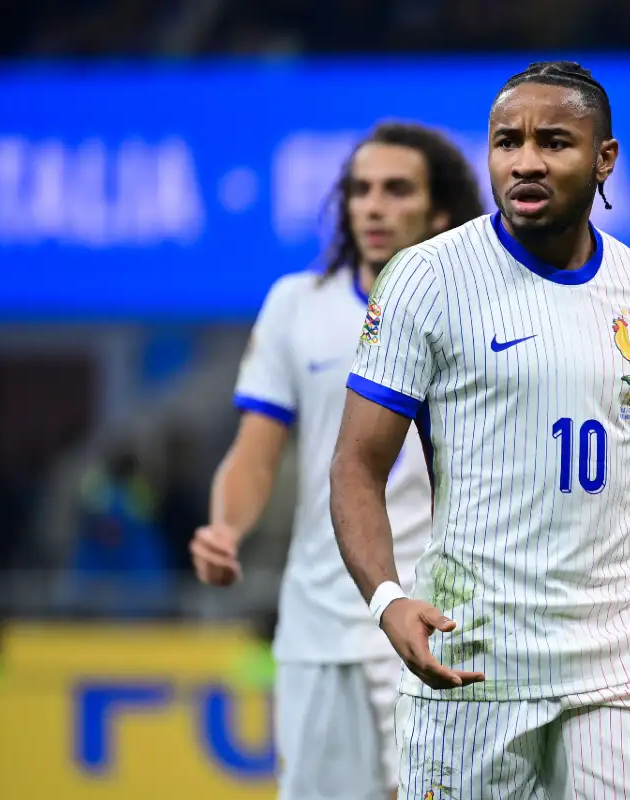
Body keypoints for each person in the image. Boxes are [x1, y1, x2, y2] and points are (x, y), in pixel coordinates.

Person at [331, 61, 630, 799]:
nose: (526, 161)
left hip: (618, 661)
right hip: (470, 659)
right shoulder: (427, 279)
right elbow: (356, 466)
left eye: (555, 142)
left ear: (605, 159)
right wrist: (387, 600)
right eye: (508, 142)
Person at [189, 122, 484, 800]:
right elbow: (255, 451)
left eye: (396, 190)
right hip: (320, 625)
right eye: (360, 190)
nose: (373, 206)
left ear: (440, 211)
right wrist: (225, 528)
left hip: (445, 621)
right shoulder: (297, 305)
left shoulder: (480, 316)